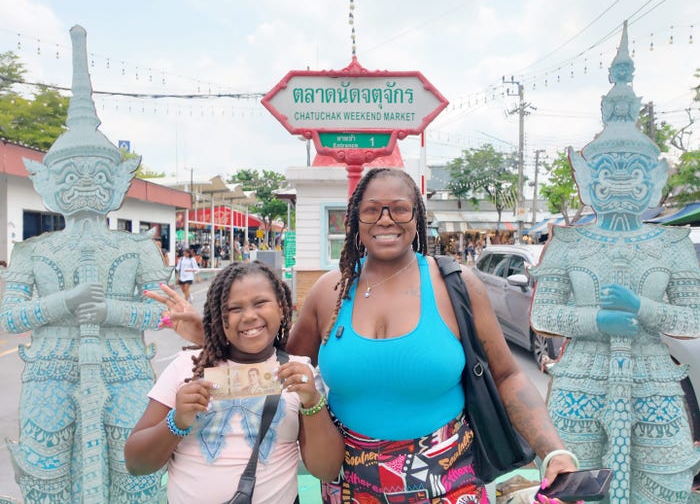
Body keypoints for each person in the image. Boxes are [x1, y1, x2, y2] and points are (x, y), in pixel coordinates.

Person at [285, 167, 580, 503]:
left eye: (399, 209)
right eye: (372, 210)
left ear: (417, 217)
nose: (385, 220)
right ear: (355, 218)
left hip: (448, 484)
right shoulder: (329, 291)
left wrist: (553, 451)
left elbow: (507, 375)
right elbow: (285, 375)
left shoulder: (456, 285)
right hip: (349, 487)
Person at [0, 25, 171, 502]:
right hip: (49, 370)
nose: (85, 183)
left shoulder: (137, 248)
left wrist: (109, 311)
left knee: (134, 475)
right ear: (48, 183)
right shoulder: (33, 251)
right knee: (46, 476)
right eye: (71, 175)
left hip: (124, 369)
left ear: (117, 180)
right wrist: (67, 301)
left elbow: (162, 313)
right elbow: (8, 317)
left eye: (96, 172)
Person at [529, 25, 700, 503]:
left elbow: (693, 317)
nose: (621, 179)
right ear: (588, 177)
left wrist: (644, 308)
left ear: (654, 178)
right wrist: (597, 320)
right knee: (575, 487)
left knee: (663, 489)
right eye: (608, 170)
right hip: (580, 381)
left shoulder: (671, 243)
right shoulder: (569, 241)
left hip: (653, 381)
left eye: (634, 170)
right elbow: (544, 313)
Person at [125, 261, 344, 504]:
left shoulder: (299, 373)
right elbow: (136, 463)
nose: (249, 316)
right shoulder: (186, 367)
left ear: (282, 308)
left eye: (260, 303)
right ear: (219, 318)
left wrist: (312, 402)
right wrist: (176, 422)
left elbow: (327, 470)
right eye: (234, 308)